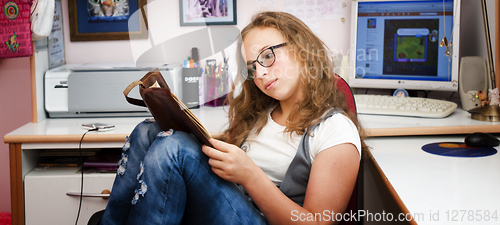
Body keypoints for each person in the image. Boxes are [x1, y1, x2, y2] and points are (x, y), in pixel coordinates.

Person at [100, 11, 364, 225]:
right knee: (148, 130)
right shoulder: (262, 115)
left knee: (174, 148)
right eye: (252, 67)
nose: (259, 73)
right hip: (234, 205)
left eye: (268, 56)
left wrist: (250, 175)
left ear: (302, 50)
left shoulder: (335, 130)